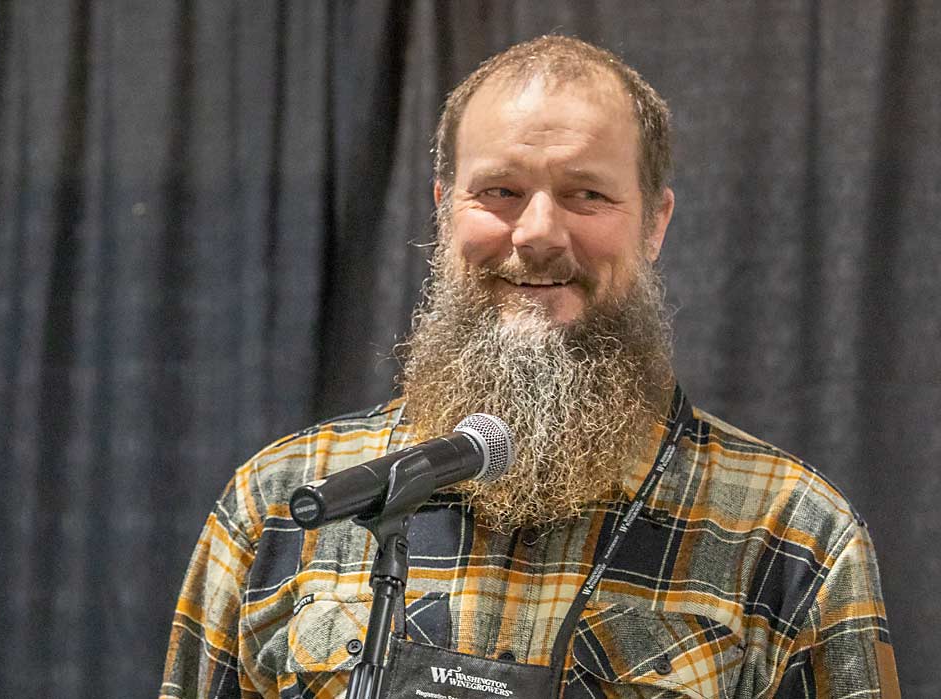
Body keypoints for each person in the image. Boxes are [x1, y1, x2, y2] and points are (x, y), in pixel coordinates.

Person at [160, 36, 899, 699]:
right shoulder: (283, 503)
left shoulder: (796, 537)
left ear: (655, 223)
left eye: (587, 194)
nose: (540, 232)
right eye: (501, 192)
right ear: (446, 210)